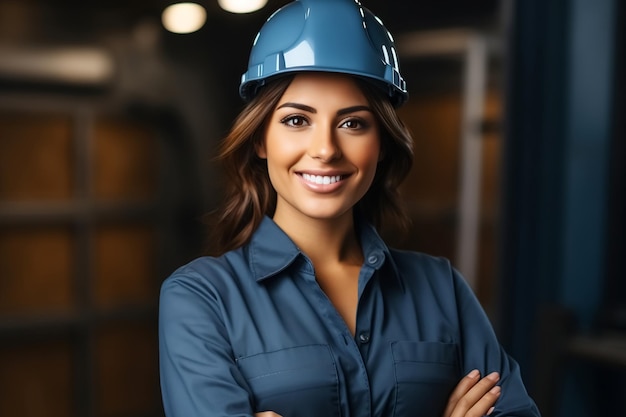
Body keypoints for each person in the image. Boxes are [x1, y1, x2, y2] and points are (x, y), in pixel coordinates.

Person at [158, 0, 541, 416]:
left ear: (381, 144)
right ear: (260, 140)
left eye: (352, 123)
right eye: (296, 120)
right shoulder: (201, 299)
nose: (325, 149)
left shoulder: (440, 289)